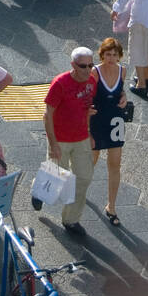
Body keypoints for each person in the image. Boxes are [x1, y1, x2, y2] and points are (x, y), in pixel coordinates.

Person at [43, 48, 98, 237]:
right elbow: (47, 114)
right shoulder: (60, 83)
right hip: (60, 139)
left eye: (91, 65)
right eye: (83, 66)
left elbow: (88, 107)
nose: (88, 69)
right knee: (55, 178)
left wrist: (89, 131)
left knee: (84, 178)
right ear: (73, 65)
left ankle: (71, 220)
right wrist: (53, 143)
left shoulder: (91, 81)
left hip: (81, 138)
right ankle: (38, 190)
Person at [89, 37, 128, 227]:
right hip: (97, 120)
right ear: (102, 54)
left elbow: (120, 91)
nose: (111, 58)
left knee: (115, 164)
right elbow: (87, 96)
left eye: (114, 55)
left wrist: (124, 96)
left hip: (116, 121)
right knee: (91, 161)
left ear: (119, 56)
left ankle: (111, 206)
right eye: (107, 54)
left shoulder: (123, 71)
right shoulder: (94, 72)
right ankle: (79, 191)